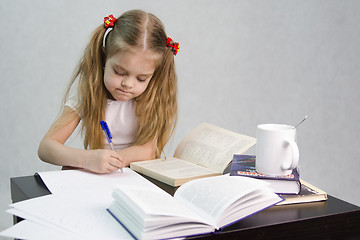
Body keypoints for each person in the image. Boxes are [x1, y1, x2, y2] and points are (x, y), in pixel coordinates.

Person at [38, 10, 179, 174]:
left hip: (136, 179)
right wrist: (87, 159)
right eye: (120, 72)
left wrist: (113, 161)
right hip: (100, 177)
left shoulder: (151, 97)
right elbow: (46, 147)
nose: (128, 84)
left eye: (141, 79)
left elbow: (148, 151)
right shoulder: (87, 93)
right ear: (105, 58)